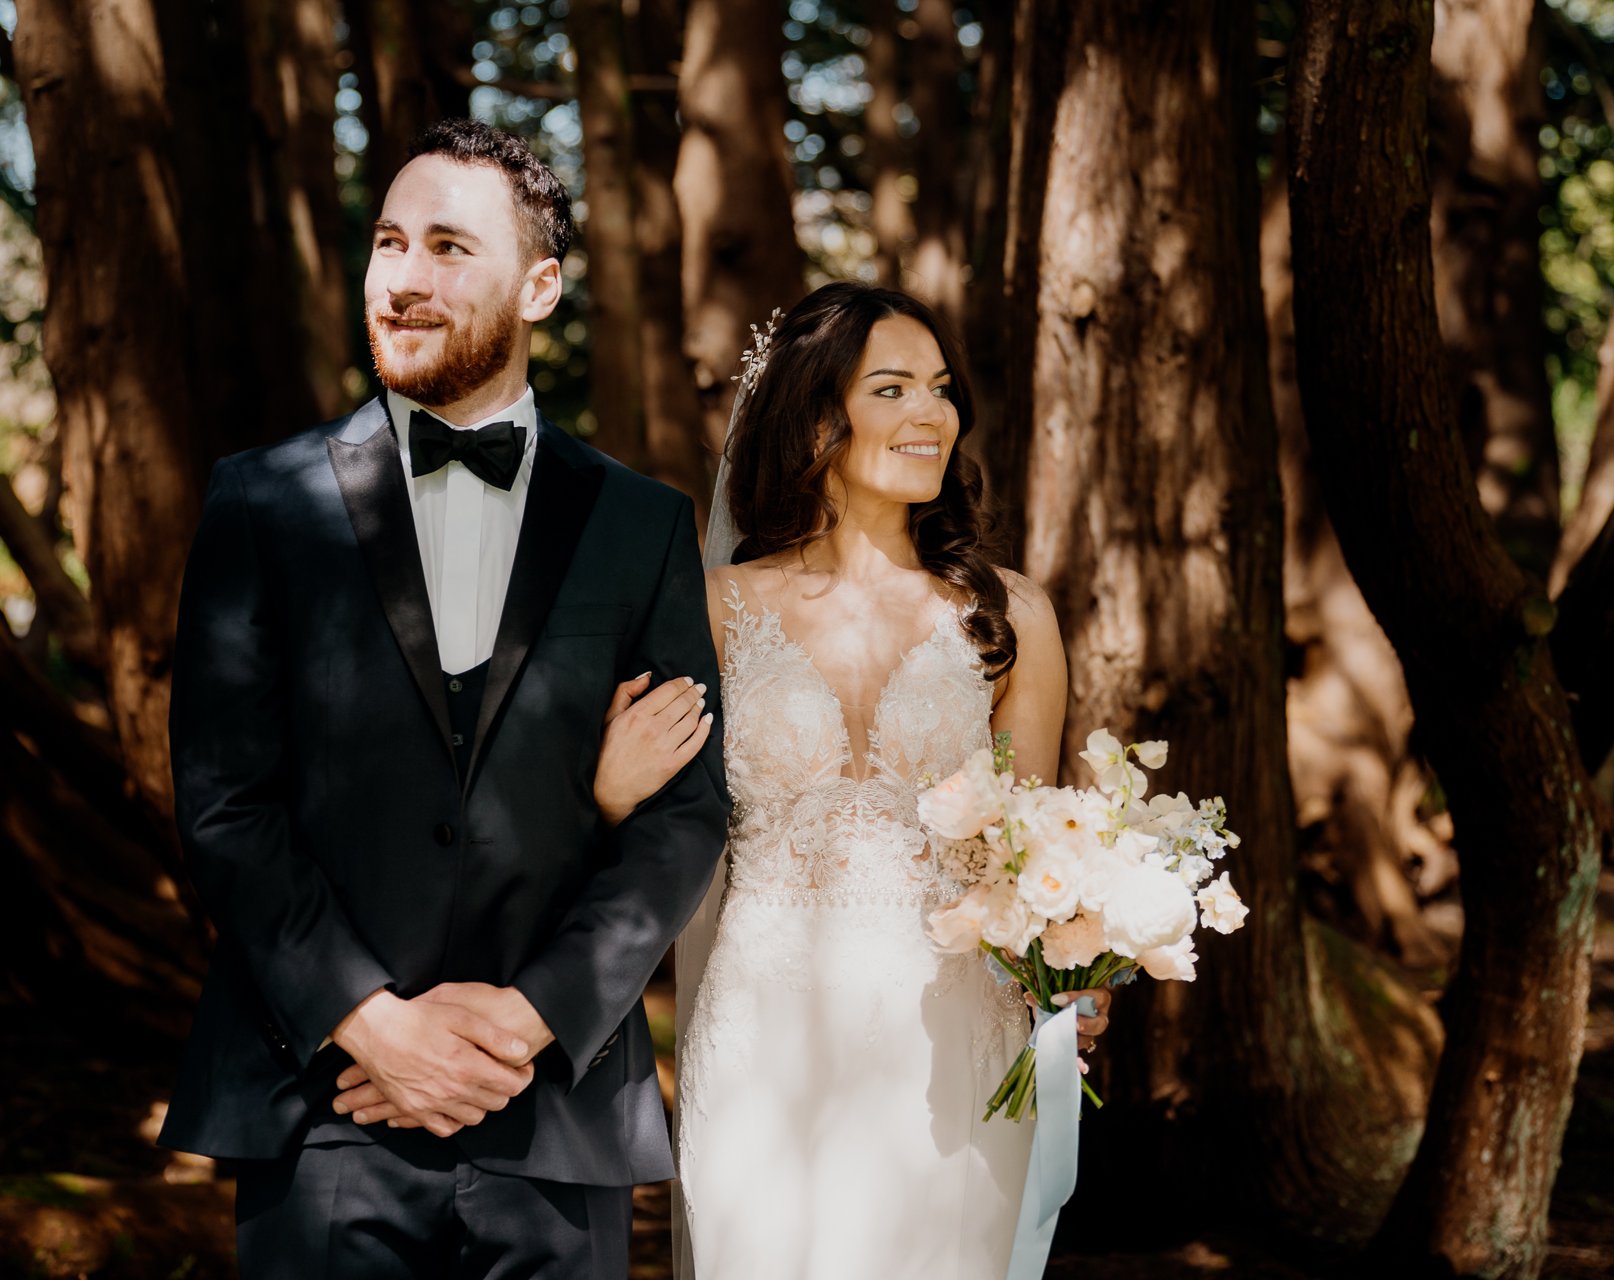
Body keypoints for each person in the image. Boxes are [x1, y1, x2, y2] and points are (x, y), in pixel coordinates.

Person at [156, 117, 729, 1280]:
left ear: (541, 285)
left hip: (556, 1105)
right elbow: (226, 805)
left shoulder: (643, 523)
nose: (406, 280)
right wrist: (377, 1022)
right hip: (326, 1103)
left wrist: (522, 1023)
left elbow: (685, 814)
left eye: (450, 248)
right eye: (388, 242)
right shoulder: (259, 502)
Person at [616, 282, 1114, 1279]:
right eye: (892, 387)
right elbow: (651, 817)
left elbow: (1032, 846)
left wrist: (1076, 966)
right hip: (763, 1029)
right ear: (815, 413)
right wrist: (609, 788)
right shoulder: (708, 608)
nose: (931, 413)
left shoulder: (1011, 616)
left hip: (954, 1033)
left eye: (941, 389)